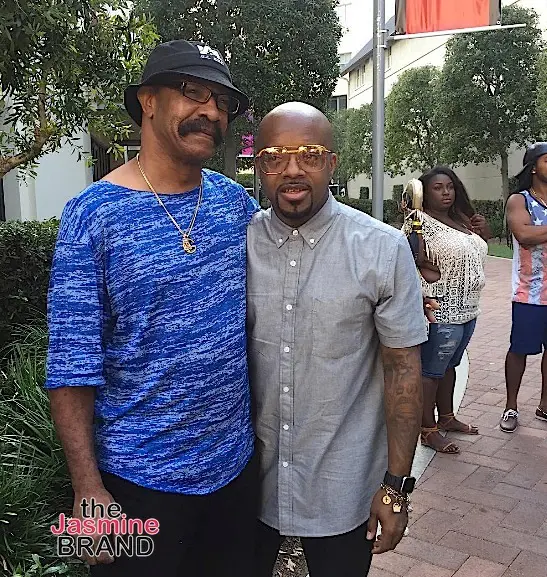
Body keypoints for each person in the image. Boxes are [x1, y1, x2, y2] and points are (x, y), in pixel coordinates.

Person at [45, 40, 259, 576]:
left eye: (222, 102)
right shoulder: (92, 214)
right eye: (193, 93)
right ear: (147, 101)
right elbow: (71, 364)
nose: (212, 112)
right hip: (136, 484)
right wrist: (87, 489)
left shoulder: (235, 203)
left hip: (235, 475)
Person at [247, 102, 427, 577]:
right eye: (274, 157)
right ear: (259, 167)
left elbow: (404, 371)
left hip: (343, 482)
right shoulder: (237, 245)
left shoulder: (381, 248)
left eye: (309, 155)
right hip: (247, 482)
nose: (292, 170)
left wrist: (395, 487)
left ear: (331, 163)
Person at [408, 167, 490, 454]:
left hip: (468, 309)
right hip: (441, 311)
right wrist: (425, 284)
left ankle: (446, 417)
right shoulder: (418, 222)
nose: (446, 193)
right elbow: (408, 262)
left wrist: (482, 233)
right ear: (424, 193)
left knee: (450, 366)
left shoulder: (460, 220)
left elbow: (474, 253)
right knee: (431, 372)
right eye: (438, 188)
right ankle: (427, 430)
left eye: (450, 187)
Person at [500, 142, 547, 432]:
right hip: (530, 293)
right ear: (532, 168)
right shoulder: (520, 201)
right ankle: (511, 406)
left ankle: (545, 405)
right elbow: (524, 234)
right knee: (520, 350)